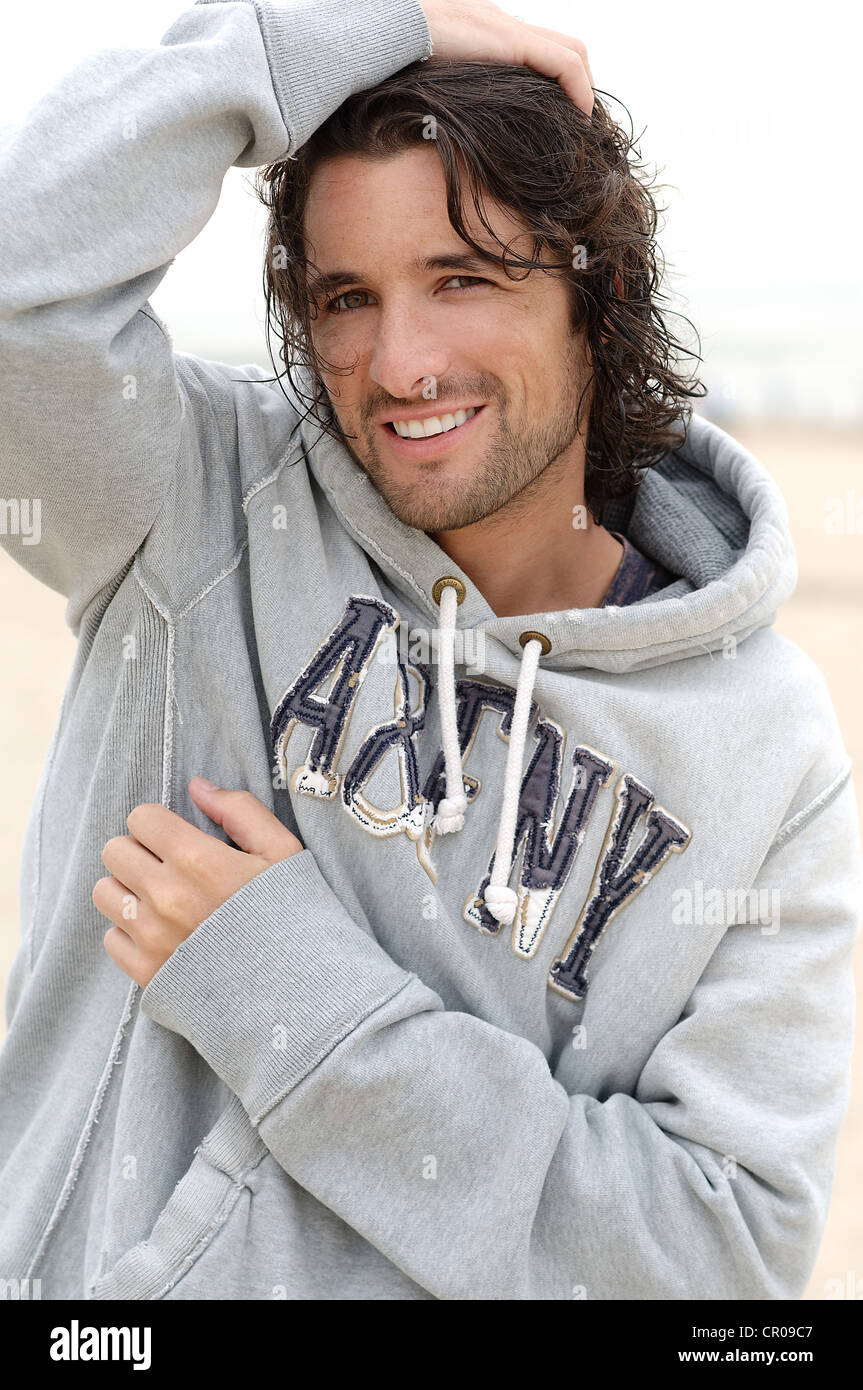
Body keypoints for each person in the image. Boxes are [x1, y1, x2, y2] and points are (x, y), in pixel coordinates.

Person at [0, 0, 859, 1302]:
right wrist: (325, 35)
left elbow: (720, 1257)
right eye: (347, 298)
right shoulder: (193, 499)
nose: (400, 363)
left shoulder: (768, 753)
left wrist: (288, 991)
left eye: (463, 277)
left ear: (599, 288)